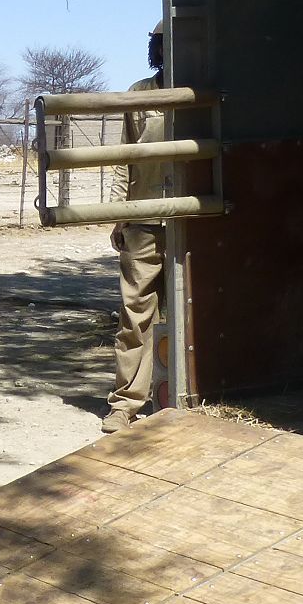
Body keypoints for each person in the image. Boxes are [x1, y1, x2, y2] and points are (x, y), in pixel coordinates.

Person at [104, 25, 170, 433]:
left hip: (192, 218)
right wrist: (118, 214)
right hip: (144, 221)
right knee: (135, 316)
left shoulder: (204, 93)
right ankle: (126, 403)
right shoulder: (140, 92)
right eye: (164, 43)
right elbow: (122, 159)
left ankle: (189, 395)